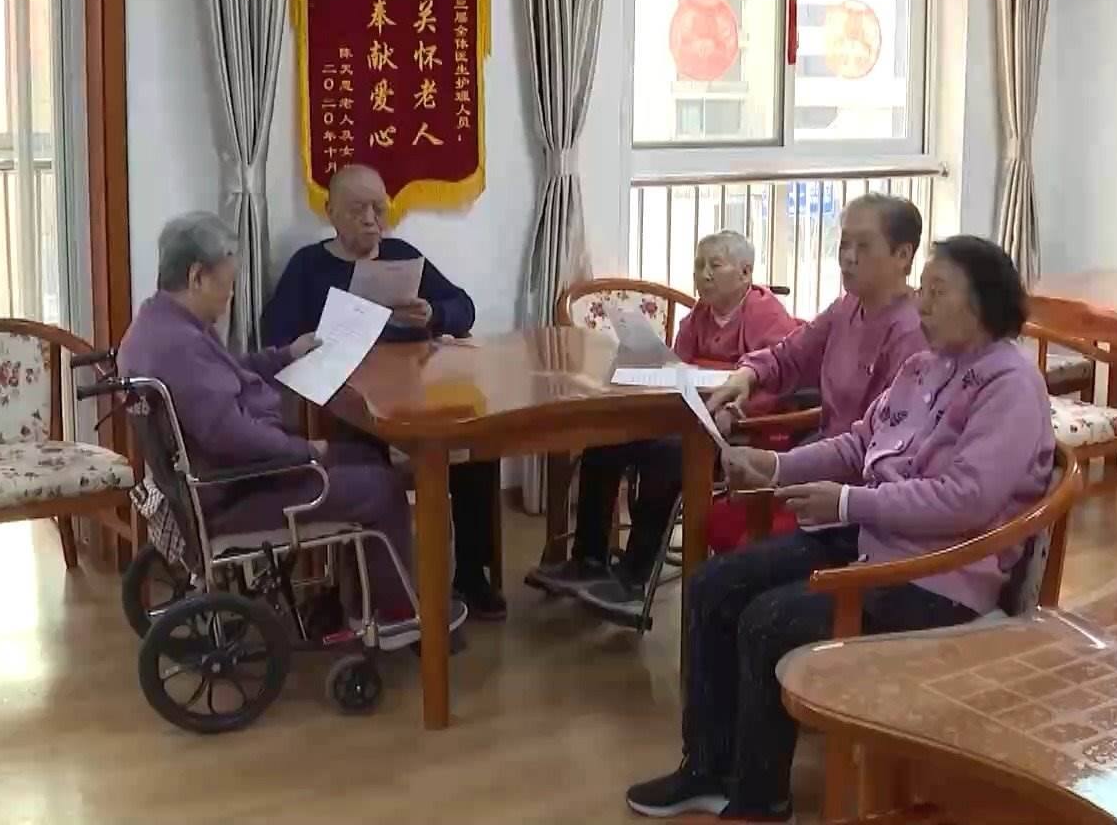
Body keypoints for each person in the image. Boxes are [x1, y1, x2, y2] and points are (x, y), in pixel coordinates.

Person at [625, 236, 1056, 822]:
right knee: (713, 584)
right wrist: (775, 466)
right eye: (923, 289)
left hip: (940, 576)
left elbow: (967, 501)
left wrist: (850, 502)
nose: (922, 304)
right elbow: (859, 444)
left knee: (769, 619)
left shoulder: (1011, 386)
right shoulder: (924, 367)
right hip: (875, 543)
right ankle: (706, 767)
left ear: (983, 305)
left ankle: (759, 800)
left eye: (937, 292)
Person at [119, 211, 460, 648]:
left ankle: (358, 599)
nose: (231, 294)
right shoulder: (179, 345)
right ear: (197, 276)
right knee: (382, 487)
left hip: (219, 480)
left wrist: (285, 356)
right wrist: (306, 450)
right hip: (235, 490)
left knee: (365, 455)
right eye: (227, 283)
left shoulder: (157, 325)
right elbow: (230, 436)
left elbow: (225, 374)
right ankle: (392, 615)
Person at [263, 164, 506, 621]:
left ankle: (472, 576)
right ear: (331, 212)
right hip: (346, 403)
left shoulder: (401, 256)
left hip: (416, 394)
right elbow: (275, 337)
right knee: (364, 453)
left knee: (475, 444)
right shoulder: (309, 267)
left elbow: (464, 307)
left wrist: (432, 313)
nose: (372, 219)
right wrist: (320, 337)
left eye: (379, 208)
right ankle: (368, 592)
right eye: (359, 210)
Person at [525, 231, 799, 625]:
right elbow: (676, 371)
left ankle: (633, 578)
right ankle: (588, 560)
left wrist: (735, 410)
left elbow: (780, 383)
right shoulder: (699, 316)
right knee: (606, 445)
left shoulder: (765, 314)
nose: (703, 275)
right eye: (699, 266)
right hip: (687, 419)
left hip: (739, 435)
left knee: (666, 457)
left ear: (745, 273)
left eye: (715, 265)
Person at [706, 193, 928, 441]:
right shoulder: (845, 308)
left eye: (864, 246)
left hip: (866, 460)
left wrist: (778, 462)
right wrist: (746, 375)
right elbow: (787, 356)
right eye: (844, 244)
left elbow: (885, 443)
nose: (848, 257)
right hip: (828, 448)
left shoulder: (914, 333)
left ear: (903, 255)